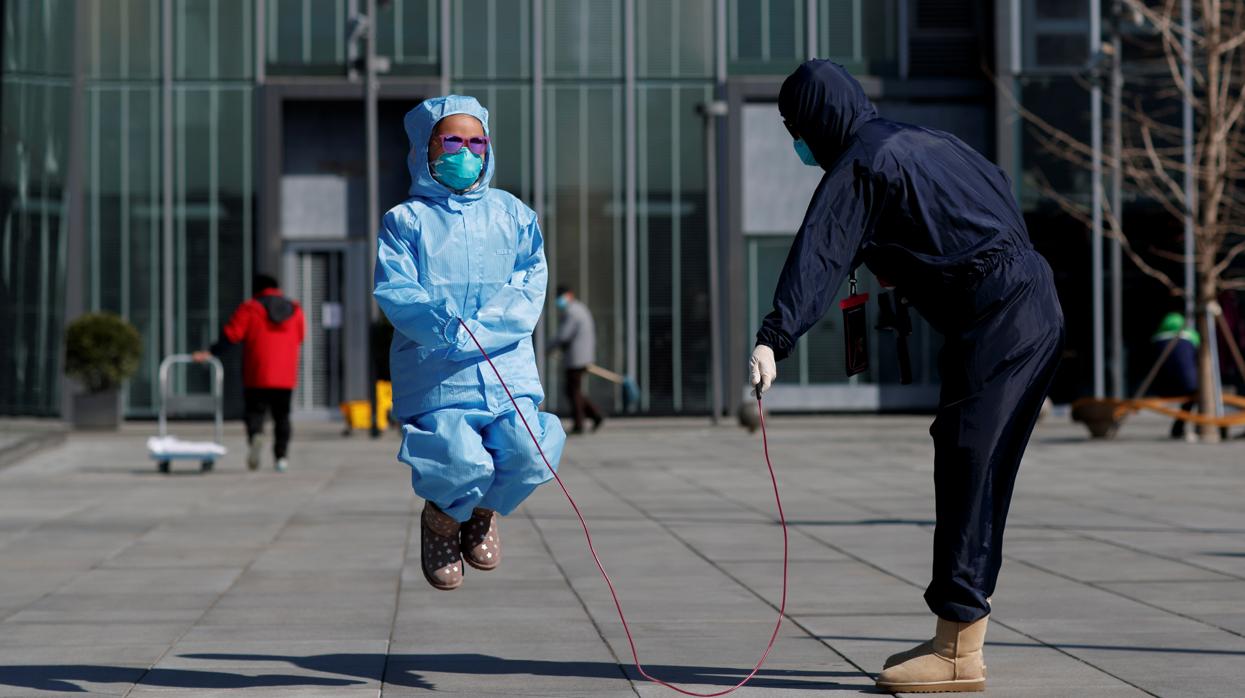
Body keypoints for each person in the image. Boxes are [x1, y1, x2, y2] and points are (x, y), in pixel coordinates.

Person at [749, 61, 1064, 694]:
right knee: (977, 459)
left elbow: (820, 248)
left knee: (969, 464)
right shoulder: (924, 141)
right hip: (1033, 303)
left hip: (997, 317)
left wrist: (773, 337)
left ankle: (957, 648)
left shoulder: (861, 163)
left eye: (795, 127)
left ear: (816, 118)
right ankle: (957, 635)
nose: (796, 143)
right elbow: (993, 198)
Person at [374, 95, 566, 592]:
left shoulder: (514, 214)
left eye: (476, 141)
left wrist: (485, 330)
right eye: (451, 141)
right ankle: (442, 518)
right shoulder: (406, 221)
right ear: (426, 147)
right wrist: (442, 326)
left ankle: (479, 509)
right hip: (437, 372)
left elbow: (530, 281)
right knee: (458, 460)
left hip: (507, 371)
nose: (465, 153)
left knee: (532, 453)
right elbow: (397, 290)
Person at [193, 274, 305, 473]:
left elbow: (232, 334)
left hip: (258, 373)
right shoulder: (295, 310)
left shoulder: (250, 308)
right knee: (282, 416)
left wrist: (210, 352)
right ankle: (281, 458)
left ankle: (255, 436)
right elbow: (301, 336)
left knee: (255, 412)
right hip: (285, 376)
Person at [551, 284, 604, 434]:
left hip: (577, 359)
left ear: (569, 295)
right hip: (581, 357)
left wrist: (547, 348)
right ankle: (594, 415)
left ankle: (580, 423)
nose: (558, 301)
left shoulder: (572, 312)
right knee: (573, 390)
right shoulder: (579, 309)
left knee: (573, 391)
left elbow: (564, 335)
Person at [1148, 312, 1204, 440]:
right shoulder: (1191, 336)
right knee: (1198, 395)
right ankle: (1187, 427)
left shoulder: (1156, 340)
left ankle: (1178, 428)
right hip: (1188, 387)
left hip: (1160, 388)